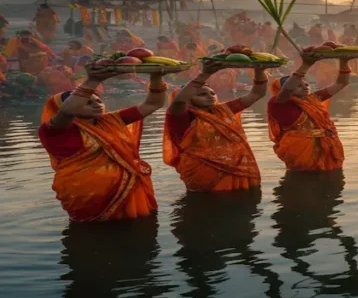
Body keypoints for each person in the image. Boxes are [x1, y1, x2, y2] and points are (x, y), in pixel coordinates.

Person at [37, 65, 167, 221]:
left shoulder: (111, 120)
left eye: (98, 100)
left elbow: (153, 104)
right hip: (85, 198)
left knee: (141, 232)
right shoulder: (54, 131)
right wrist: (94, 80)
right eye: (87, 102)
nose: (97, 104)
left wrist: (156, 76)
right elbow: (68, 111)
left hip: (129, 189)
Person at [162, 60, 267, 192]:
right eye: (202, 94)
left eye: (212, 93)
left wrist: (259, 71)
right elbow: (179, 100)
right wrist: (205, 73)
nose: (210, 96)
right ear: (189, 99)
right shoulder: (181, 117)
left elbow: (257, 94)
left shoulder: (223, 110)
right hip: (203, 171)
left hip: (238, 167)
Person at [267, 52, 350, 171]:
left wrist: (344, 61)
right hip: (301, 153)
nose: (305, 86)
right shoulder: (277, 104)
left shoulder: (312, 99)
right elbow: (288, 88)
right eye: (299, 85)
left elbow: (341, 83)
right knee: (305, 182)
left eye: (306, 83)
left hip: (327, 149)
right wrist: (305, 65)